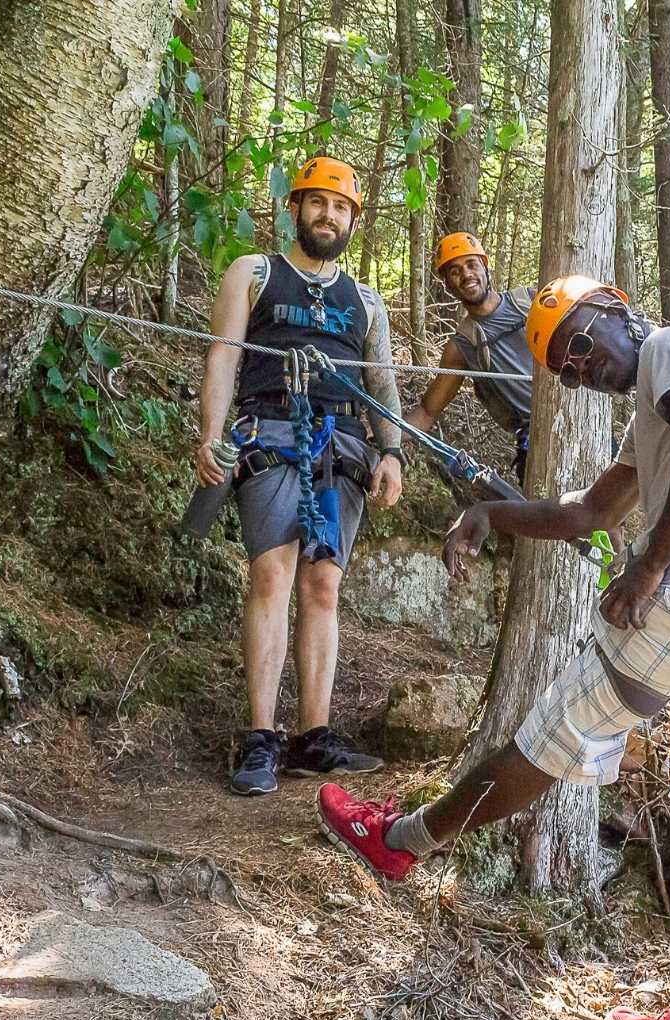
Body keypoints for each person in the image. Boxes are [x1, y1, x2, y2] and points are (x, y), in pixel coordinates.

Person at [318, 274, 670, 1020]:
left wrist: (651, 569)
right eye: (565, 368)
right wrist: (492, 513)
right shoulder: (650, 411)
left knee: (553, 732)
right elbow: (588, 513)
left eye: (580, 344)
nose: (580, 367)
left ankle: (400, 843)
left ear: (614, 308)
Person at [192, 156, 406, 796]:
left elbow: (383, 384)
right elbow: (224, 357)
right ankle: (261, 737)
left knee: (323, 588)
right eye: (317, 203)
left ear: (352, 221)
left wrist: (391, 453)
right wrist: (210, 433)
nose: (328, 215)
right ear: (294, 208)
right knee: (271, 574)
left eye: (340, 208)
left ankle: (313, 737)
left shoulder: (366, 301)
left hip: (341, 446)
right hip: (271, 432)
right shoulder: (254, 273)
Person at [403, 232, 538, 478]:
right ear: (447, 285)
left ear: (485, 267)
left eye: (471, 264)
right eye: (454, 271)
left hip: (579, 419)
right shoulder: (463, 345)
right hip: (535, 440)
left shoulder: (532, 300)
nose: (466, 275)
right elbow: (427, 412)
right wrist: (384, 432)